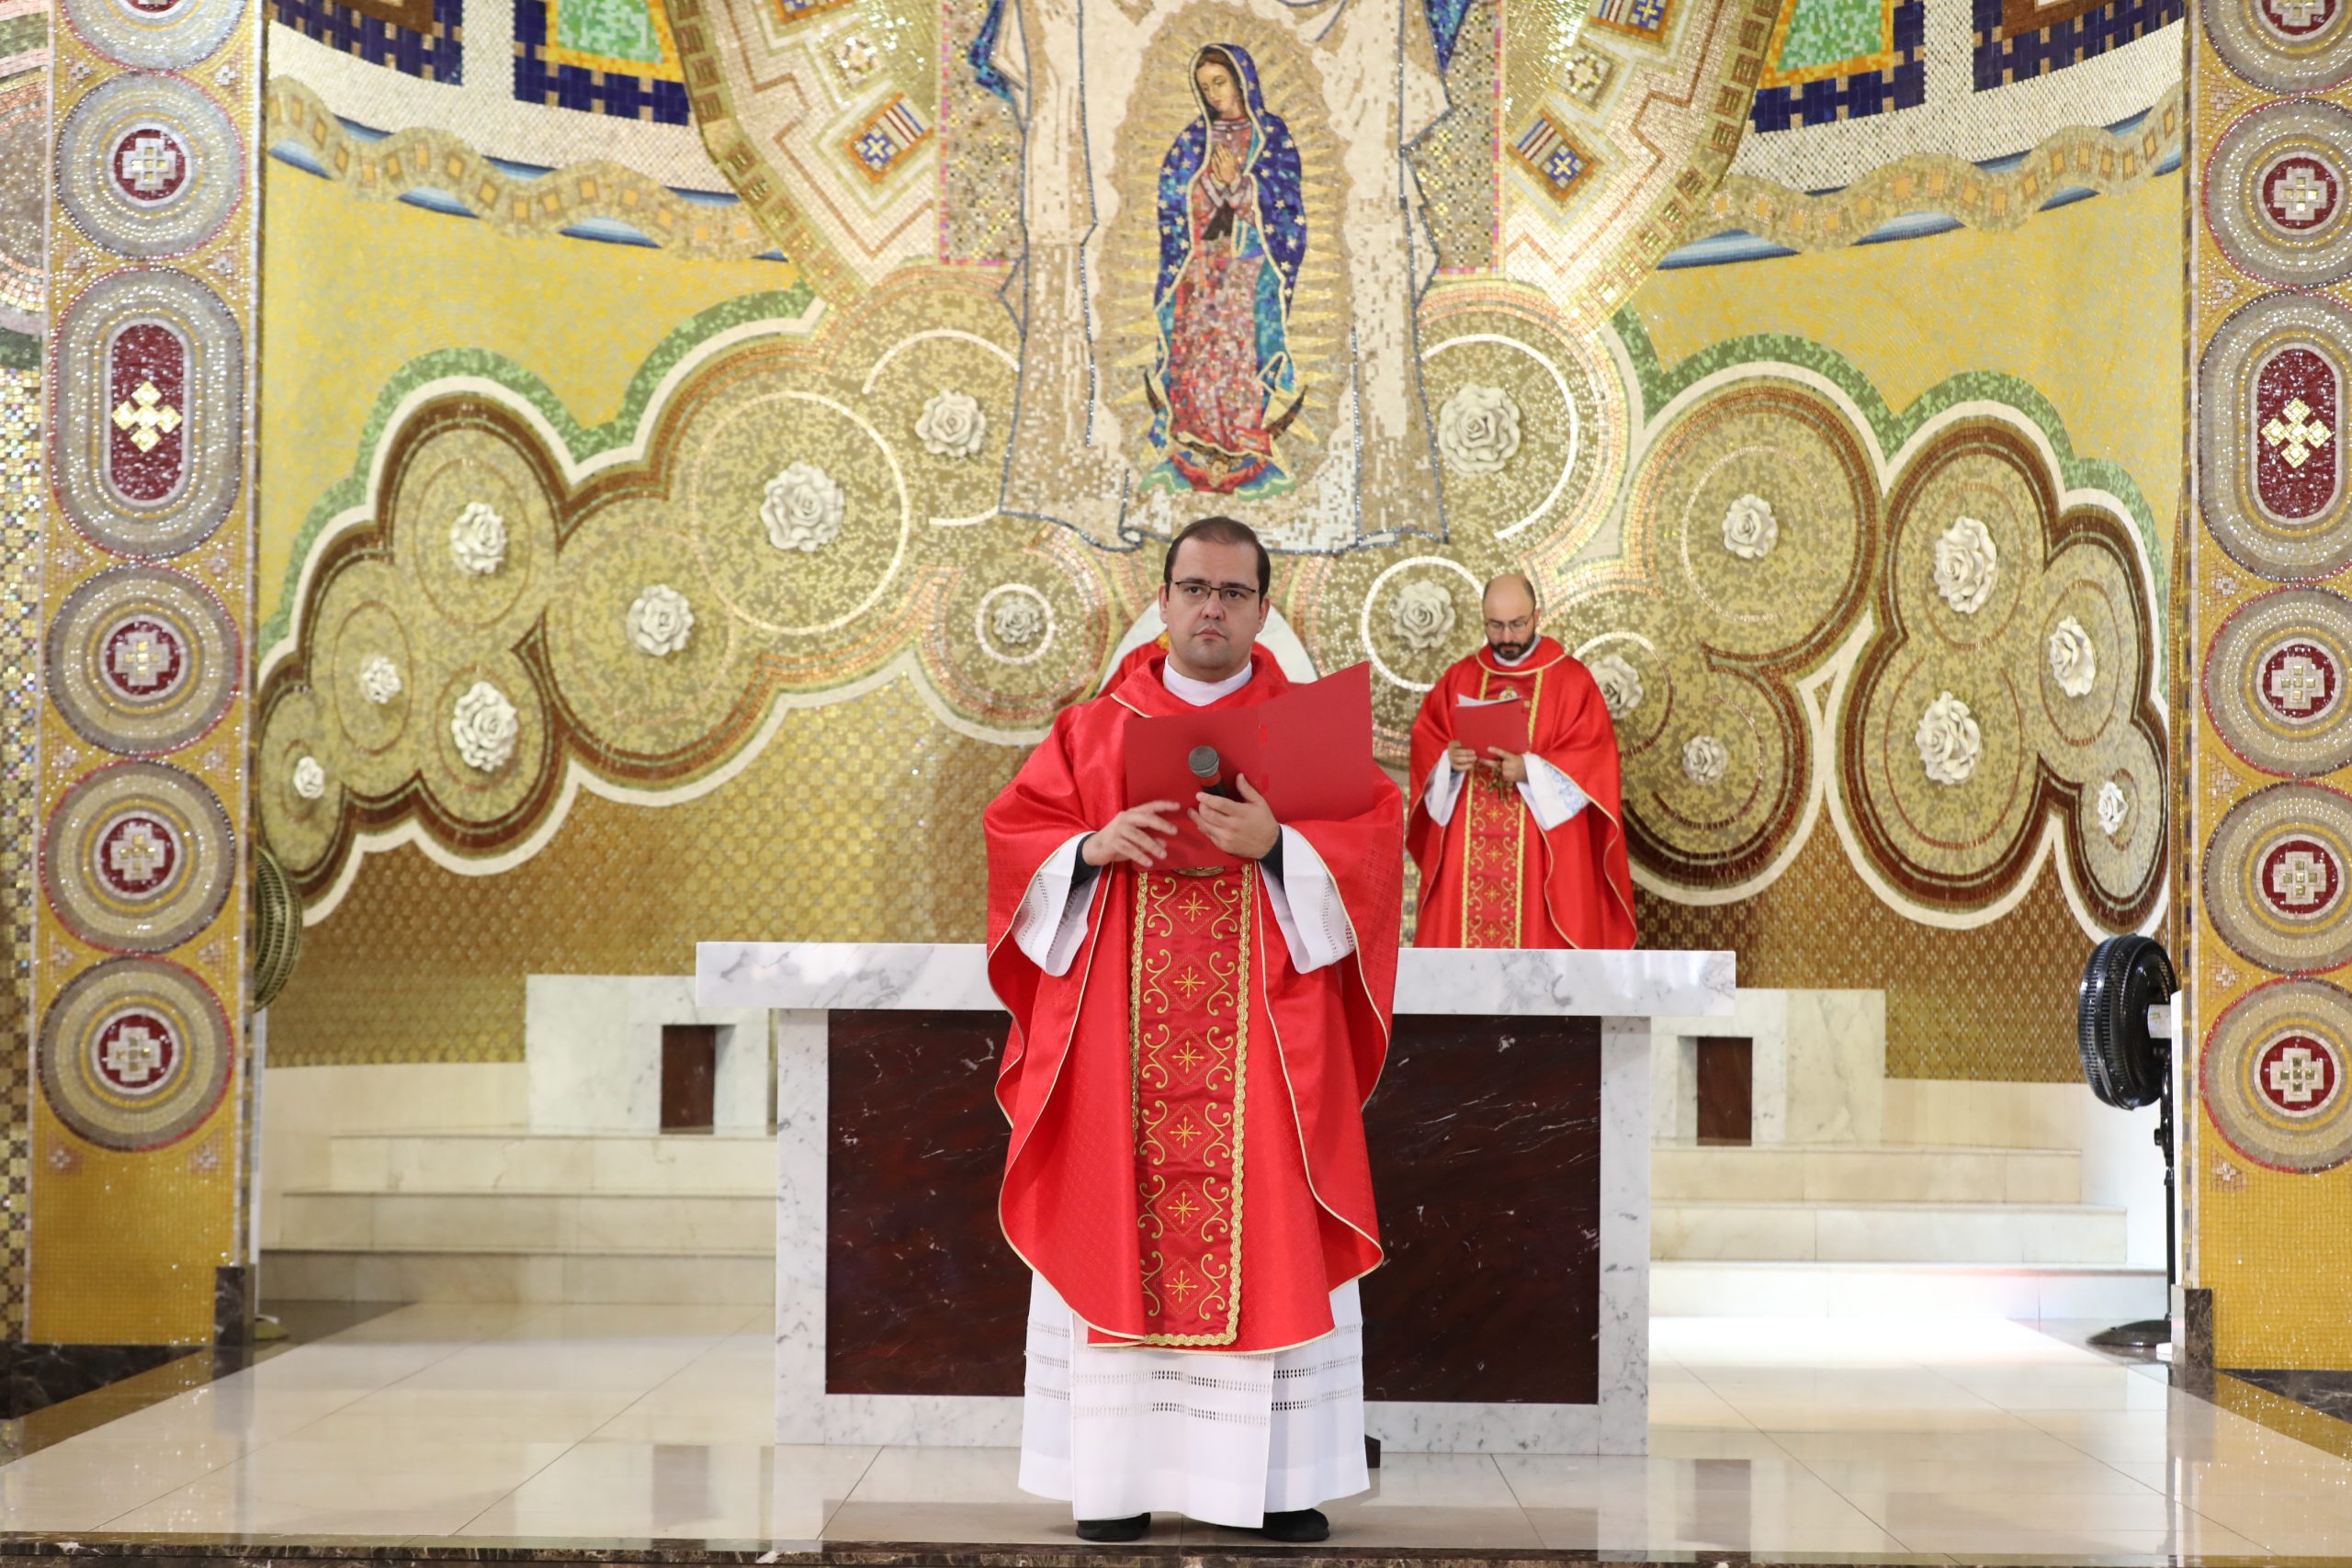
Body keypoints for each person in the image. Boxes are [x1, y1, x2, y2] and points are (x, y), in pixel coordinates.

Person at [984, 516, 1402, 1543]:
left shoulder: (1306, 730)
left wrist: (1280, 844)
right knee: (1112, 1224)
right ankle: (1113, 1481)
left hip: (1264, 1048)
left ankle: (1276, 1483)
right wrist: (1091, 848)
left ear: (1262, 608)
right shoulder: (1091, 729)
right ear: (1163, 600)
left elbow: (1371, 850)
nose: (1212, 607)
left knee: (1272, 1233)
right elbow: (1014, 837)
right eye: (1195, 588)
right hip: (1117, 1046)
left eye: (1232, 591)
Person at [1406, 572, 1635, 950]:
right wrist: (1449, 761)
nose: (1507, 637)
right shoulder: (1460, 677)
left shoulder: (1571, 680)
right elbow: (1427, 742)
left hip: (1539, 856)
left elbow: (1594, 759)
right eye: (1495, 626)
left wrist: (1531, 770)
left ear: (1536, 616)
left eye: (1517, 624)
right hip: (1467, 851)